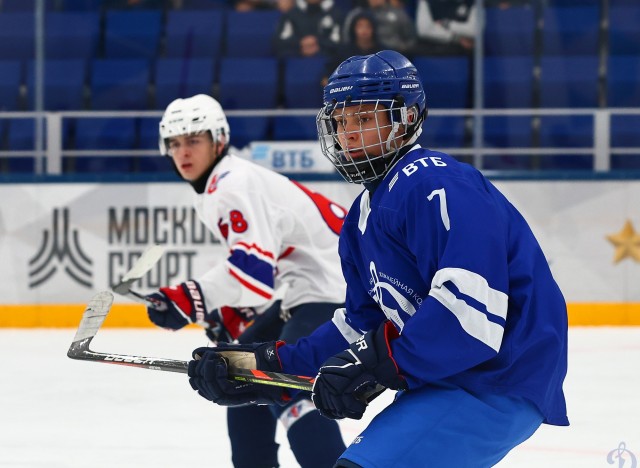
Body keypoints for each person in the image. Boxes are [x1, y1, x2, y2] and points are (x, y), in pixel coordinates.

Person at [186, 51, 569, 467]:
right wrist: (267, 367)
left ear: (404, 118)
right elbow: (360, 326)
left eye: (364, 119)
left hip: (495, 378)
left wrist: (378, 362)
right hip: (442, 382)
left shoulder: (437, 183)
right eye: (341, 121)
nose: (348, 134)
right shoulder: (359, 221)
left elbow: (471, 314)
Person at [144, 94, 348, 468]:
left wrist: (191, 298)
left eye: (194, 140)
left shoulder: (231, 184)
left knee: (281, 382)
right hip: (315, 288)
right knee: (235, 376)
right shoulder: (226, 181)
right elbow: (263, 269)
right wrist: (233, 312)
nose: (183, 152)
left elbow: (252, 274)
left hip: (339, 289)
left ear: (218, 139)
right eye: (175, 143)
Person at [273, 0, 344, 58]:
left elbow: (341, 43)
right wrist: (300, 43)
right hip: (295, 61)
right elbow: (280, 41)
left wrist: (318, 44)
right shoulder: (291, 14)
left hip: (328, 63)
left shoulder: (337, 14)